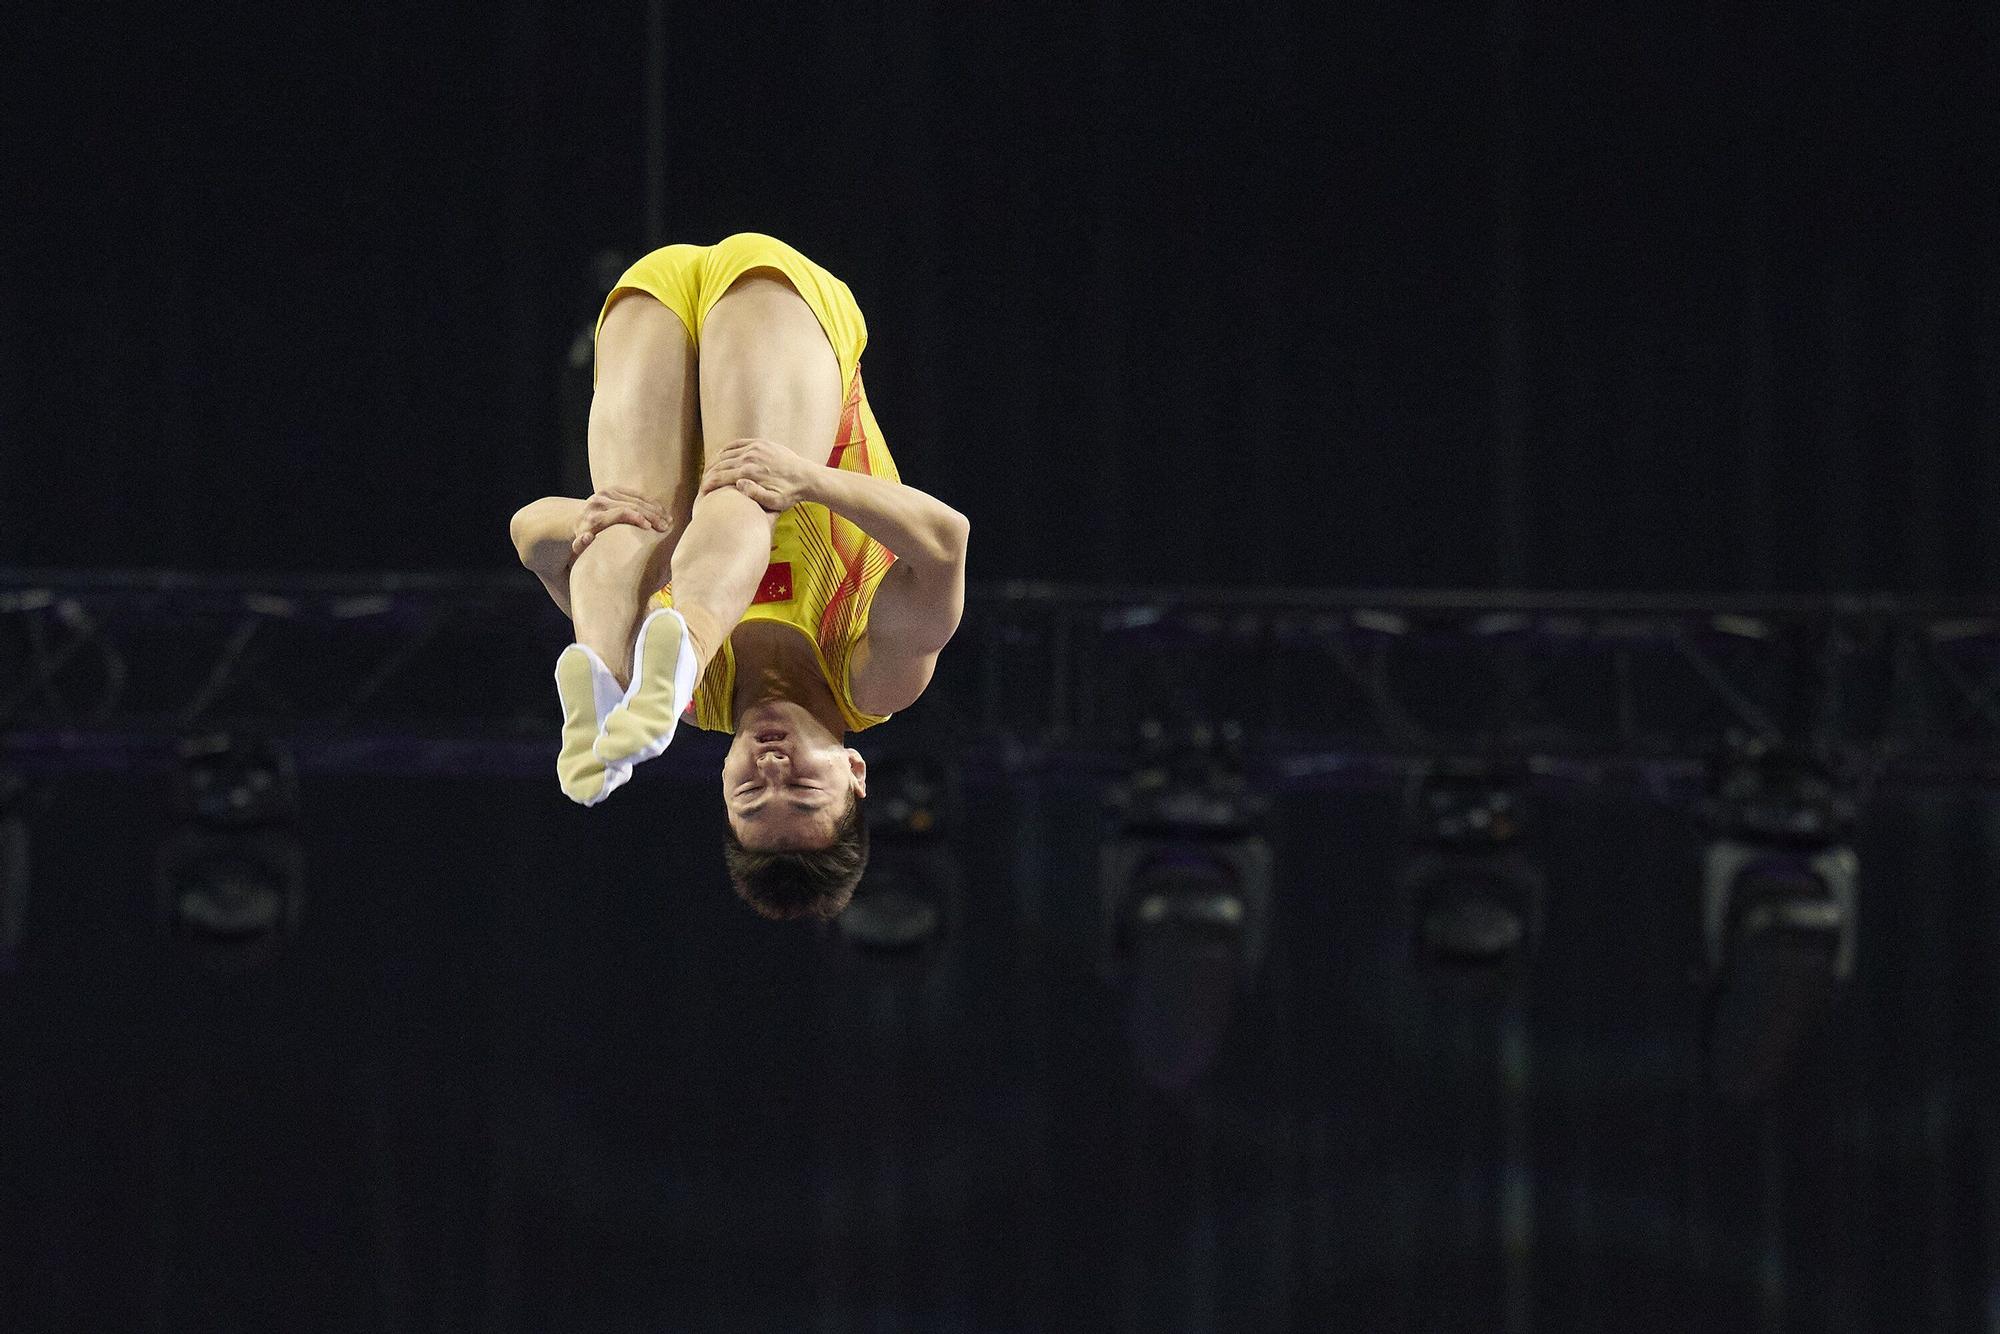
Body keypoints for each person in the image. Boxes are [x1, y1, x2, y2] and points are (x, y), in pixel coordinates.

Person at [507, 233, 969, 920]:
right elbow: (945, 542)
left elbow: (530, 537)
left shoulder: (689, 701)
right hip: (779, 303)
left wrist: (590, 520)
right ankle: (686, 634)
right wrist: (810, 479)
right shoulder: (876, 678)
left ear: (721, 785)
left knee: (631, 530)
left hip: (653, 292)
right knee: (741, 496)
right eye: (805, 792)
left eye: (750, 795)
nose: (773, 770)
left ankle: (597, 673)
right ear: (855, 774)